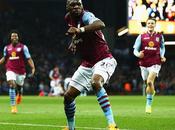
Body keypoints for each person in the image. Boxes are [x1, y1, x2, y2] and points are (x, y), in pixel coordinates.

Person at [63, 0, 119, 130]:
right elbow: (77, 32)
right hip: (87, 64)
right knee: (68, 96)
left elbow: (100, 24)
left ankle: (112, 125)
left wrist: (79, 30)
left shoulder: (86, 15)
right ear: (67, 7)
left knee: (96, 82)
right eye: (73, 5)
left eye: (79, 4)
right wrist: (74, 41)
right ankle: (71, 128)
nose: (76, 7)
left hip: (103, 58)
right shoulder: (68, 18)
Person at [133, 18, 166, 114]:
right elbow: (135, 50)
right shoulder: (141, 36)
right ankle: (152, 92)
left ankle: (148, 104)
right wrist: (138, 54)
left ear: (155, 24)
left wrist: (162, 56)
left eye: (152, 23)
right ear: (146, 25)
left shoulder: (159, 36)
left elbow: (162, 47)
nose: (150, 24)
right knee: (147, 83)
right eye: (149, 23)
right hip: (143, 63)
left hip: (155, 62)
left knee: (150, 82)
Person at [0, 29, 35, 113]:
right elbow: (4, 58)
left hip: (21, 71)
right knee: (12, 85)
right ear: (10, 38)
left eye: (16, 36)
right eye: (13, 36)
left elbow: (29, 58)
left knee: (19, 87)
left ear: (18, 37)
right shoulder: (7, 48)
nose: (14, 37)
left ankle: (19, 94)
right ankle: (13, 106)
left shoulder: (23, 47)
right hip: (10, 69)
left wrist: (33, 68)